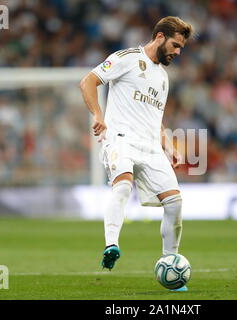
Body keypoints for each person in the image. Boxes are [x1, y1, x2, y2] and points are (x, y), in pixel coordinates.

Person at [80, 17, 193, 290]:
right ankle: (111, 246)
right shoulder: (127, 58)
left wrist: (168, 146)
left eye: (181, 48)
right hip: (120, 139)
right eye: (175, 45)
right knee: (122, 186)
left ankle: (171, 260)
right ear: (159, 37)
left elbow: (156, 119)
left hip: (151, 146)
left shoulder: (163, 78)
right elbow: (88, 82)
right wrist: (98, 114)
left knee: (175, 202)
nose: (178, 52)